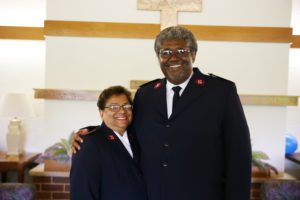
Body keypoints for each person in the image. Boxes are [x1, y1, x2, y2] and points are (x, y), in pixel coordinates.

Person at [73, 26, 252, 200]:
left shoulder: (220, 92)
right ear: (159, 58)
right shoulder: (146, 94)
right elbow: (128, 132)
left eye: (181, 51)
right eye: (165, 52)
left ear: (194, 54)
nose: (173, 58)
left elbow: (239, 156)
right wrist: (91, 134)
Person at [70, 86, 147, 200]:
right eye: (113, 107)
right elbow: (82, 192)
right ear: (101, 112)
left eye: (126, 106)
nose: (122, 111)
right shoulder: (89, 143)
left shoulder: (136, 138)